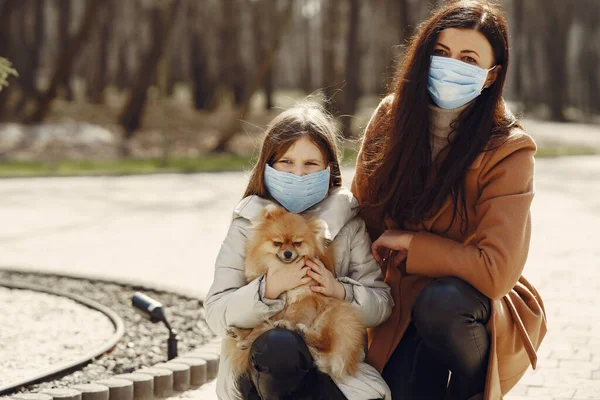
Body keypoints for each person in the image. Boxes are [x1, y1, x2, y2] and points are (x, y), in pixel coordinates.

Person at [351, 1, 547, 400]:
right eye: (440, 54)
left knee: (441, 304)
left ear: (491, 76)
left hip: (467, 305)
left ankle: (471, 391)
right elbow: (360, 219)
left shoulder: (510, 149)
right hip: (398, 296)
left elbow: (494, 272)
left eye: (468, 59)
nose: (450, 65)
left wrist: (411, 244)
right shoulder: (391, 118)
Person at [205, 102, 394, 400]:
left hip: (328, 361)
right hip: (261, 368)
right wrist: (268, 289)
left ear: (328, 169)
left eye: (310, 164)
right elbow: (216, 313)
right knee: (279, 348)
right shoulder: (248, 223)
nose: (298, 174)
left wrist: (338, 290)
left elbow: (382, 305)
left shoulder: (347, 224)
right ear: (267, 166)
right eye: (286, 162)